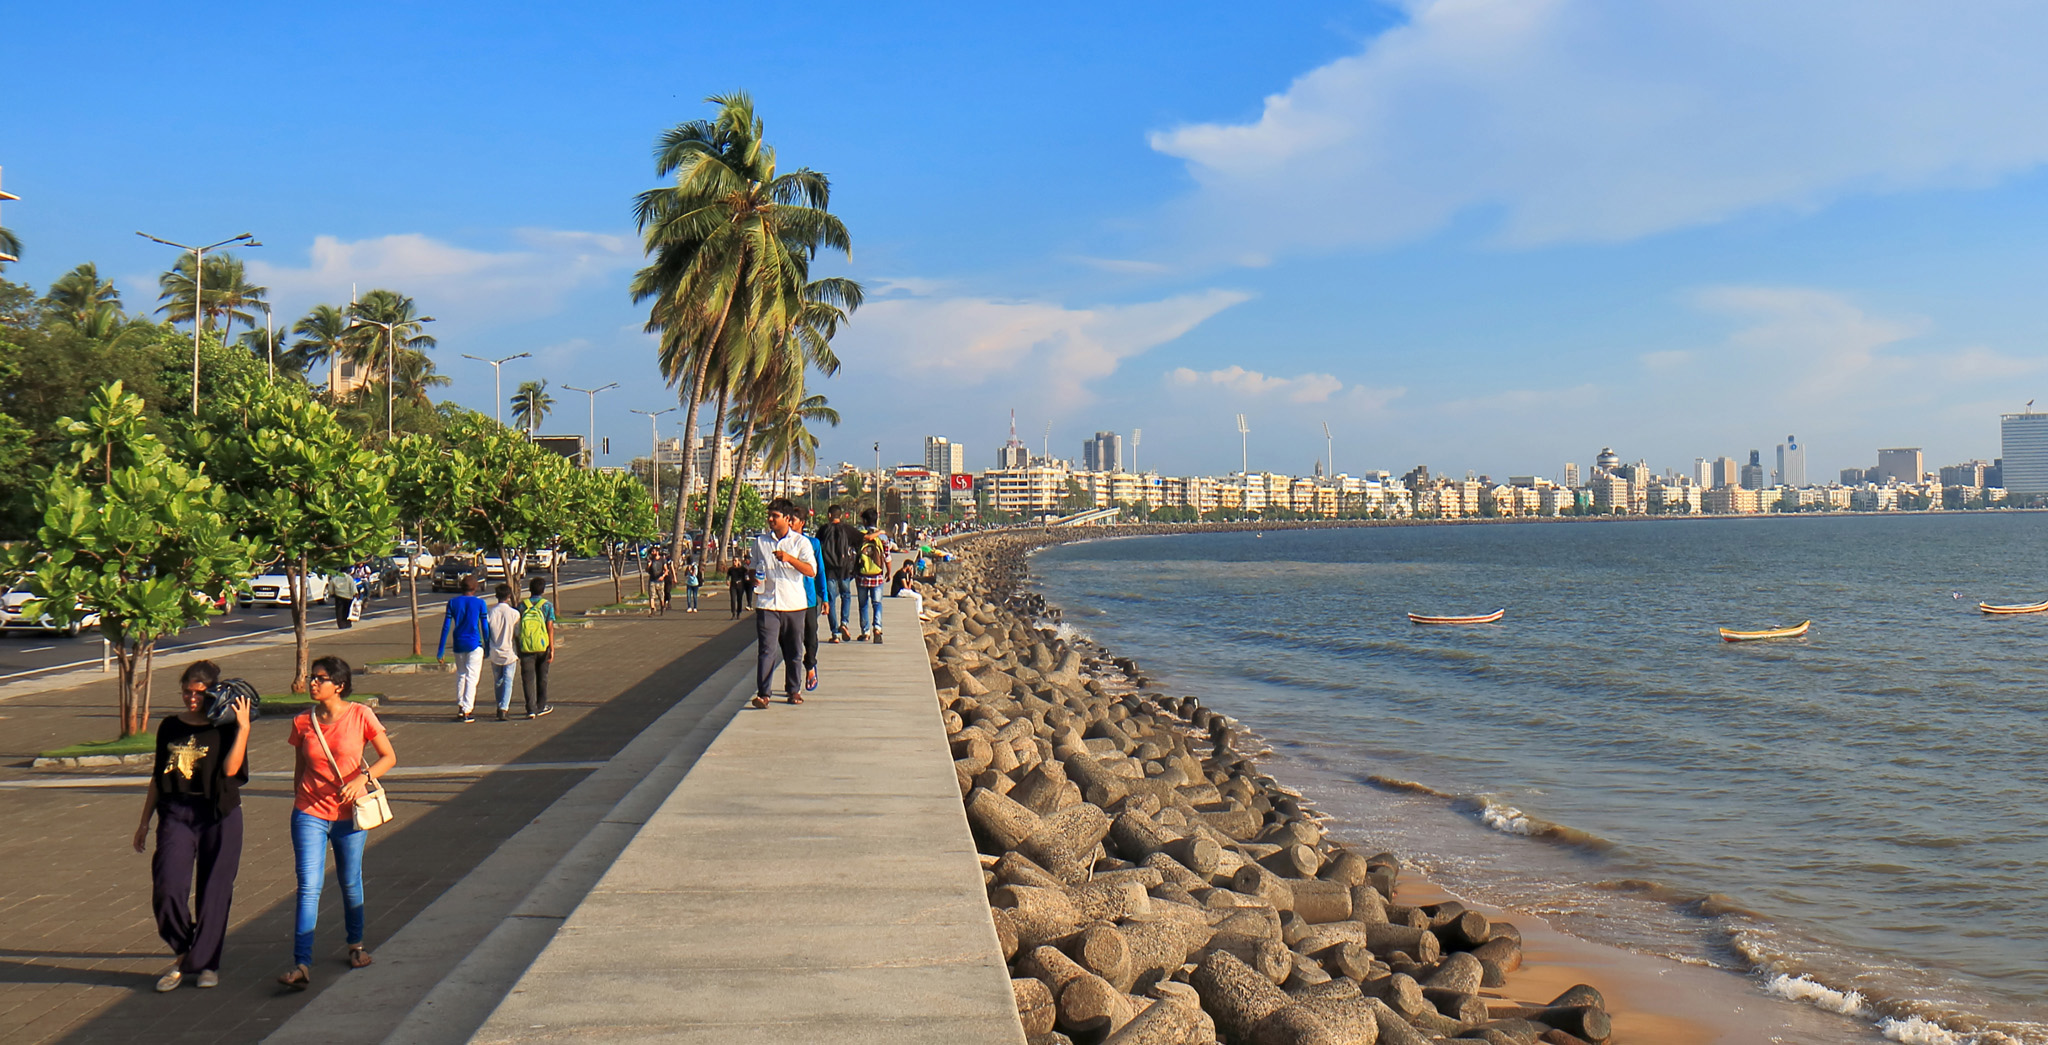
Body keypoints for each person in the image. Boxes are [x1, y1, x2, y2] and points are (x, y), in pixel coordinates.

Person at [279, 656, 395, 991]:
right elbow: (299, 769)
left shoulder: (361, 715)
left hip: (350, 815)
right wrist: (300, 801)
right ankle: (302, 963)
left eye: (320, 678)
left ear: (339, 685)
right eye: (311, 677)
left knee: (349, 880)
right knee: (309, 886)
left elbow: (389, 756)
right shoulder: (303, 721)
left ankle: (355, 946)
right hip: (309, 813)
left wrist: (363, 778)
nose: (313, 683)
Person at [135, 660, 249, 992]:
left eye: (199, 693)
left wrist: (243, 728)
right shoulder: (169, 726)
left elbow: (231, 771)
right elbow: (158, 777)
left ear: (212, 692)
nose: (192, 698)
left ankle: (207, 963)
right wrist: (144, 821)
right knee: (167, 887)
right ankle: (186, 954)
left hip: (219, 813)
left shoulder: (225, 726)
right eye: (187, 691)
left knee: (215, 891)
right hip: (176, 813)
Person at [749, 497, 817, 709]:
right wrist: (754, 577)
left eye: (775, 516)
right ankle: (763, 694)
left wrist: (790, 559)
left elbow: (811, 571)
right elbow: (752, 567)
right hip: (767, 603)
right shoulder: (761, 542)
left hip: (794, 605)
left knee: (794, 650)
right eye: (769, 516)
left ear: (787, 519)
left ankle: (793, 690)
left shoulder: (801, 543)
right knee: (767, 649)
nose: (771, 519)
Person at [436, 576, 493, 723]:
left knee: (461, 674)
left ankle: (461, 706)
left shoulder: (453, 603)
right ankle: (467, 709)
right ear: (475, 588)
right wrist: (487, 645)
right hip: (474, 643)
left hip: (458, 643)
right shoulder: (480, 603)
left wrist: (441, 650)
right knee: (472, 677)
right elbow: (484, 627)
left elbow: (446, 626)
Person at [815, 504, 860, 643]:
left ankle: (835, 634)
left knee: (831, 600)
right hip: (844, 570)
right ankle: (844, 623)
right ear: (840, 516)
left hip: (828, 571)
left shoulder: (823, 530)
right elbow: (863, 539)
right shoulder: (847, 529)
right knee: (846, 596)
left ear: (829, 515)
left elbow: (816, 547)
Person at [516, 576, 557, 719]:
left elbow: (517, 627)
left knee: (528, 678)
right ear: (543, 590)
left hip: (526, 647)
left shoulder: (522, 606)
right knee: (542, 676)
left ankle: (531, 708)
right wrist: (551, 647)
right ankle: (541, 705)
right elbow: (550, 627)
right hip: (542, 646)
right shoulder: (547, 606)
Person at [854, 507, 894, 644]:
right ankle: (877, 628)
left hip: (862, 576)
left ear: (864, 521)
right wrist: (889, 573)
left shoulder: (860, 535)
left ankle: (865, 632)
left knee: (863, 604)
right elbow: (887, 557)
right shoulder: (882, 537)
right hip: (877, 576)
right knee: (877, 603)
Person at [485, 583, 521, 722]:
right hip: (510, 652)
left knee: (498, 680)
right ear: (509, 596)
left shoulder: (490, 613)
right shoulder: (514, 613)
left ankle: (499, 704)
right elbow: (517, 633)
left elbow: (487, 633)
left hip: (495, 652)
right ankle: (504, 708)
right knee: (508, 680)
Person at [801, 508, 827, 692]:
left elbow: (820, 573)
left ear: (800, 522)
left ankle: (810, 665)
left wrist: (824, 597)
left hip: (809, 599)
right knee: (789, 640)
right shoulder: (781, 544)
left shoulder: (813, 544)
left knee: (810, 636)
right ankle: (793, 681)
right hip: (787, 600)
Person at [890, 558, 926, 623]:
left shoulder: (905, 574)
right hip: (897, 592)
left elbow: (909, 586)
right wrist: (911, 577)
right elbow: (906, 587)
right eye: (911, 567)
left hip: (902, 591)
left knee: (915, 593)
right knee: (919, 596)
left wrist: (910, 576)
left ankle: (918, 611)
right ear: (908, 566)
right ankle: (919, 613)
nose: (912, 569)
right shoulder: (901, 573)